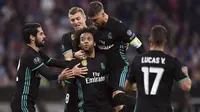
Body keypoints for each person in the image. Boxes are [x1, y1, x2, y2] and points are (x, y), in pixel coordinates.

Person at [10, 23, 84, 112]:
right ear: (32, 37)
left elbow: (51, 62)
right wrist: (72, 72)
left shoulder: (36, 53)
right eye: (41, 34)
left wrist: (76, 61)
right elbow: (48, 75)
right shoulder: (30, 56)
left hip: (26, 102)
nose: (44, 36)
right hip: (23, 102)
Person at [87, 1, 145, 111]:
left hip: (119, 67)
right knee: (117, 107)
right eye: (91, 20)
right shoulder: (93, 30)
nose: (93, 23)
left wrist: (147, 61)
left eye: (95, 20)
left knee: (118, 97)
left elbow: (137, 43)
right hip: (105, 71)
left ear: (103, 14)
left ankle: (148, 105)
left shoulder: (118, 27)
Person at [124, 25, 192, 112]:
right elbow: (186, 86)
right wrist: (185, 72)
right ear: (165, 41)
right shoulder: (171, 62)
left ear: (150, 40)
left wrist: (140, 85)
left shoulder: (138, 60)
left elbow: (126, 87)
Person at [62, 27, 115, 112]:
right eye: (82, 40)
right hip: (86, 109)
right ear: (79, 44)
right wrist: (60, 78)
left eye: (89, 39)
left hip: (105, 107)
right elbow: (63, 87)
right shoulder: (75, 63)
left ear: (94, 43)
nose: (85, 41)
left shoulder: (103, 58)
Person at [61, 7, 88, 112]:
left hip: (93, 79)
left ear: (84, 17)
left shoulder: (95, 33)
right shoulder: (67, 37)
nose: (76, 22)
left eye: (78, 18)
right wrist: (73, 54)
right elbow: (68, 58)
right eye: (72, 20)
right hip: (74, 80)